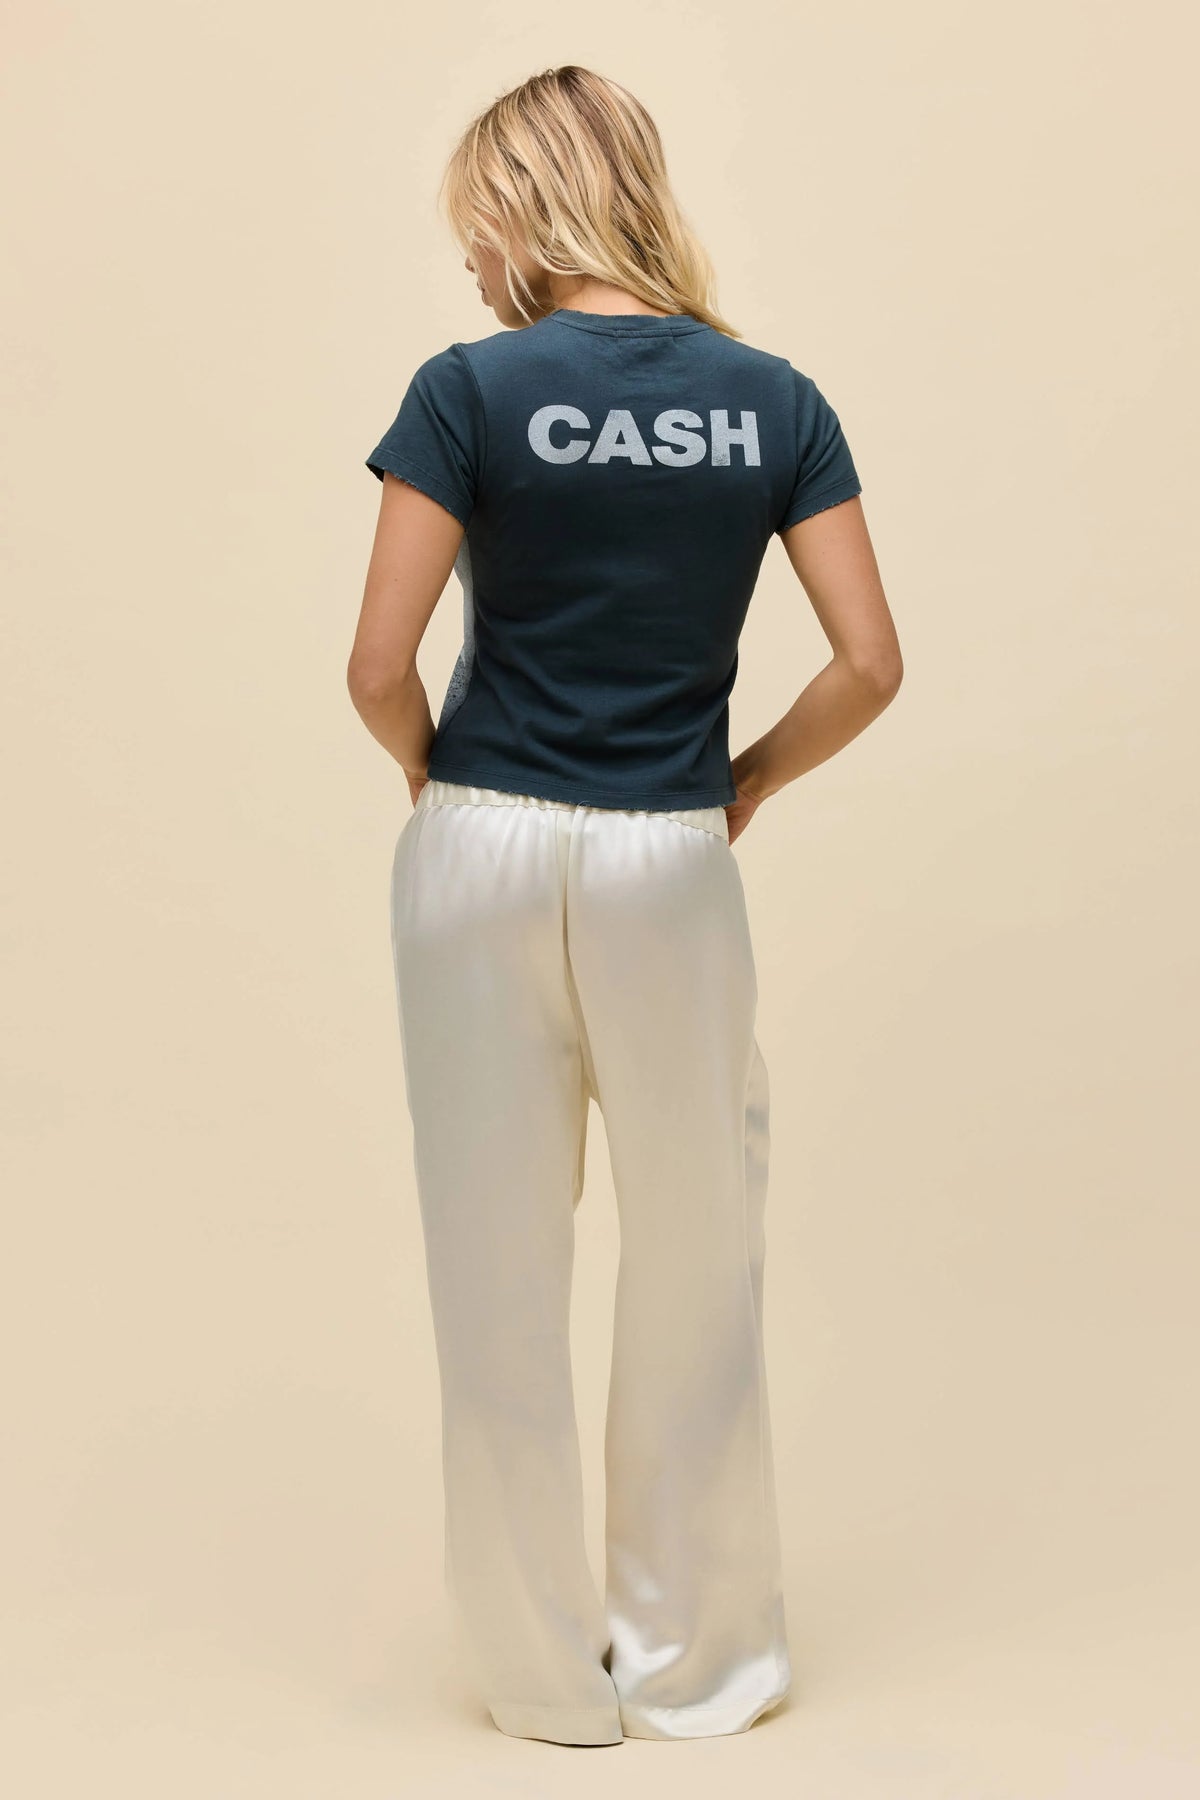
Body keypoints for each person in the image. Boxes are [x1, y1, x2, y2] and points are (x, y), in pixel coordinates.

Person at [347, 64, 902, 1748]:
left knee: (494, 1263)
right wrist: (746, 782)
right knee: (697, 1254)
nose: (471, 262)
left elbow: (375, 666)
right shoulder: (775, 402)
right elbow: (871, 663)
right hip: (669, 850)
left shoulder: (469, 390)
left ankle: (539, 1679)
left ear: (526, 202)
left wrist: (436, 778)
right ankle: (697, 1667)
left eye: (476, 223)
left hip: (482, 847)